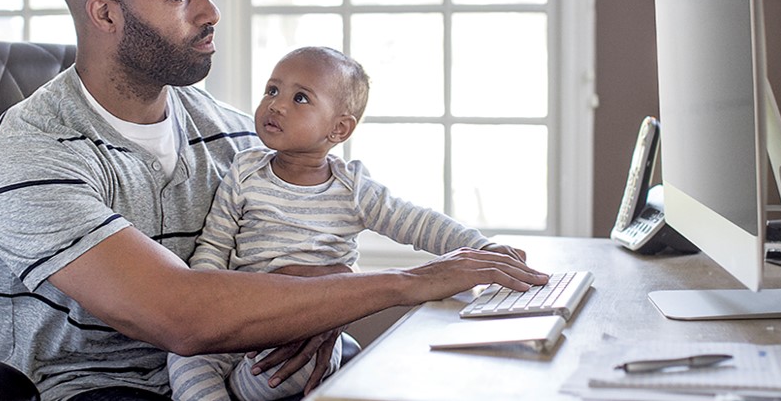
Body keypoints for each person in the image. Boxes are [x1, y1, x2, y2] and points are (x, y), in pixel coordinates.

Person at [0, 0, 548, 401]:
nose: (210, 11)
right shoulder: (30, 155)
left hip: (243, 372)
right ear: (106, 13)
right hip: (97, 389)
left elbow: (299, 248)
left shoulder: (237, 137)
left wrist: (311, 301)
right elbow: (182, 315)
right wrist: (412, 280)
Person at [167, 46, 527, 401]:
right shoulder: (245, 171)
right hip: (243, 317)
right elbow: (214, 246)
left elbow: (418, 222)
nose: (276, 104)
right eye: (272, 90)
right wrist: (208, 312)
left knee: (294, 368)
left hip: (308, 328)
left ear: (339, 128)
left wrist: (483, 247)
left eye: (301, 98)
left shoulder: (352, 188)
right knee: (183, 360)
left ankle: (240, 390)